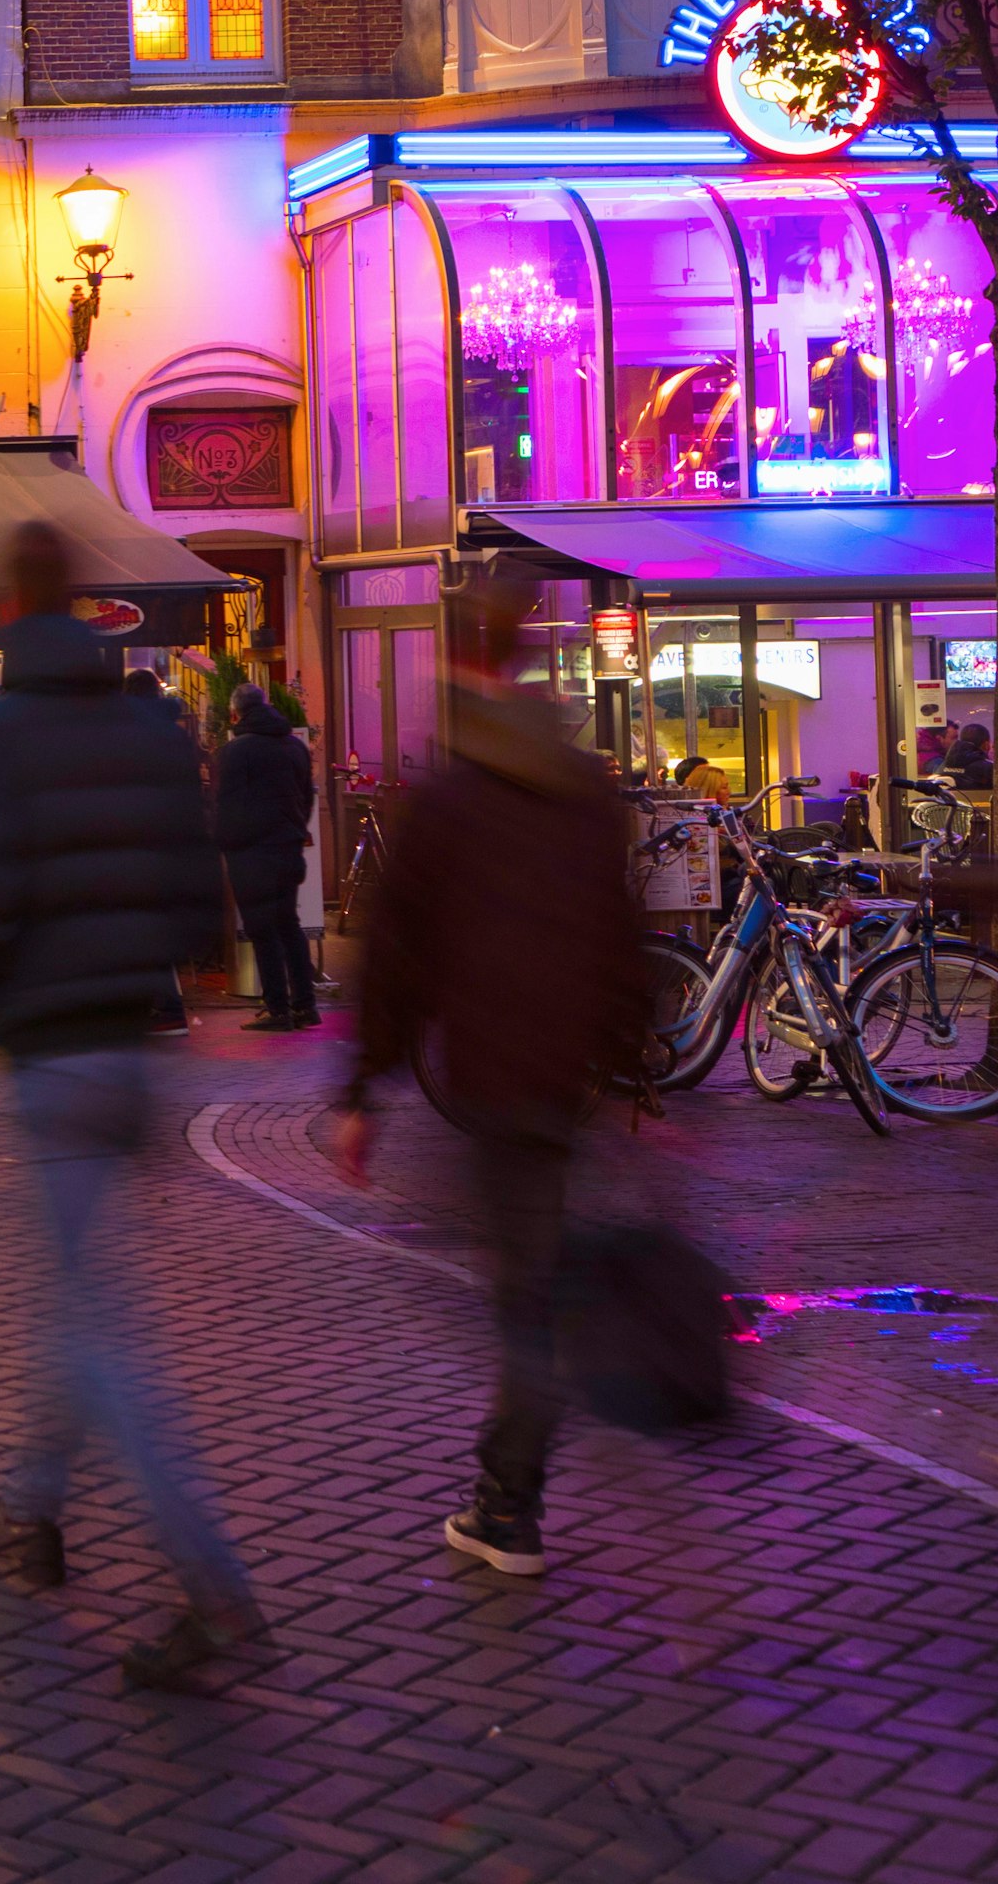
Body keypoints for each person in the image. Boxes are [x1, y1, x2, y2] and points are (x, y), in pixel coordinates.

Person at [0, 523, 259, 1689]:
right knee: (79, 1294)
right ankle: (31, 1504)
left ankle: (213, 1584)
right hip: (129, 1037)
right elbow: (193, 885)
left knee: (95, 1329)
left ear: (8, 605)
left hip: (49, 1047)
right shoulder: (147, 727)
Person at [328, 576, 647, 1581]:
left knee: (521, 1299)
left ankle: (509, 1503)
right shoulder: (588, 792)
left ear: (462, 664)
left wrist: (362, 1090)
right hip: (566, 1076)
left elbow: (397, 958)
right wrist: (637, 1070)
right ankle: (517, 1473)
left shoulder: (448, 801)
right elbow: (621, 938)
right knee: (530, 1272)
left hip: (490, 1075)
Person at [215, 690, 320, 1031]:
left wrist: (227, 846)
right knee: (289, 925)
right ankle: (306, 1005)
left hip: (252, 854)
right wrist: (293, 829)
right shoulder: (295, 747)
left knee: (262, 931)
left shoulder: (234, 752)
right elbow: (307, 797)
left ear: (236, 715)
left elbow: (227, 807)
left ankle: (277, 1009)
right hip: (288, 849)